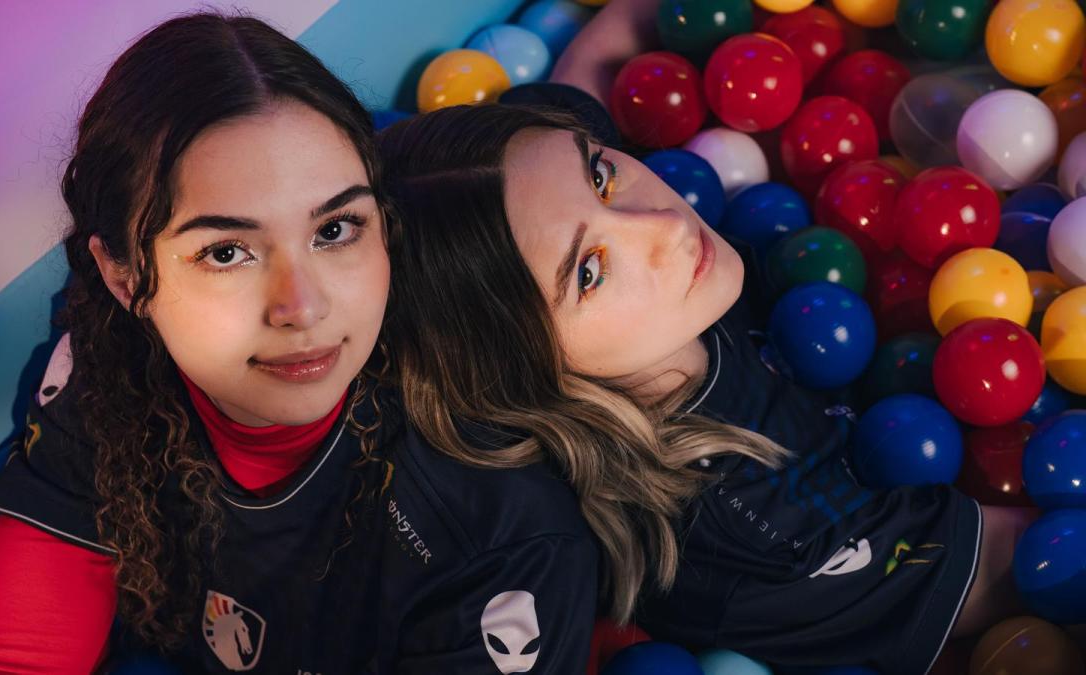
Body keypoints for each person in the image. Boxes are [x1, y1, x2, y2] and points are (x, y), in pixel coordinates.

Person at [0, 15, 598, 673]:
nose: (302, 307)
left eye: (336, 229)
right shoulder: (110, 366)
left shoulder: (500, 535)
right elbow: (12, 653)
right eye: (227, 251)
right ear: (124, 278)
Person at [377, 104, 1037, 674]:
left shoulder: (525, 189)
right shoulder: (744, 517)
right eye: (589, 272)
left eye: (602, 176)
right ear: (527, 372)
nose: (661, 223)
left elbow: (581, 74)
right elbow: (1008, 569)